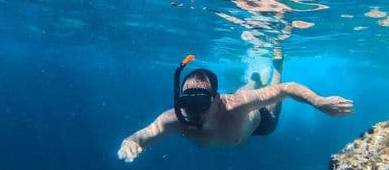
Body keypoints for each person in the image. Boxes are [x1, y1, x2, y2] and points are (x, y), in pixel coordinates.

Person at [117, 48, 354, 162]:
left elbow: (287, 89)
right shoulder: (175, 119)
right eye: (188, 103)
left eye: (201, 102)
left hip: (258, 122)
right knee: (245, 91)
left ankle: (276, 68)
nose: (193, 111)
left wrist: (318, 101)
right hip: (233, 106)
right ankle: (252, 78)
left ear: (216, 100)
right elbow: (148, 132)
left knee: (266, 103)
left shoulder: (234, 105)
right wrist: (131, 142)